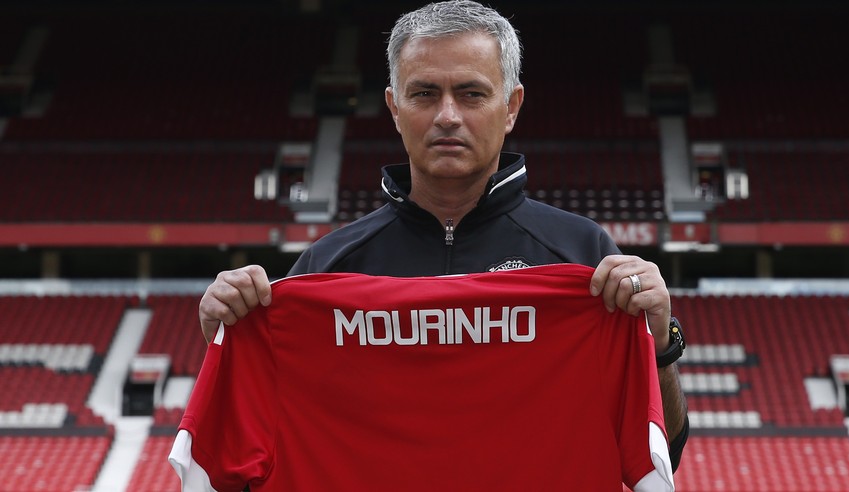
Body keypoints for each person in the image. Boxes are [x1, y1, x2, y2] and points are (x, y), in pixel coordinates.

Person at [198, 0, 689, 473]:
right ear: (394, 107)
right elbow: (254, 453)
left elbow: (661, 453)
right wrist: (232, 342)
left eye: (472, 93)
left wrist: (661, 341)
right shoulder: (326, 268)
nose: (448, 116)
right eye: (424, 93)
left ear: (511, 106)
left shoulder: (586, 258)